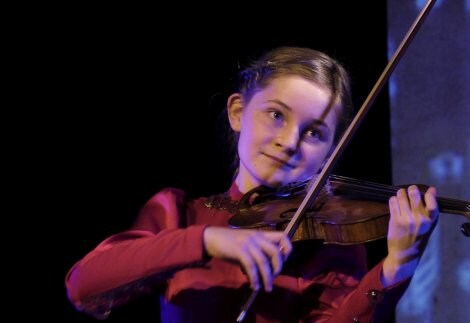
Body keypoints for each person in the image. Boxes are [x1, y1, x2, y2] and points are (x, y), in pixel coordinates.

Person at [65, 46, 439, 322]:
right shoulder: (180, 212)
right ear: (238, 113)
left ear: (330, 152)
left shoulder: (331, 245)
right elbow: (84, 284)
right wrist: (206, 240)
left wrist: (395, 269)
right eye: (276, 115)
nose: (289, 141)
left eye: (313, 133)